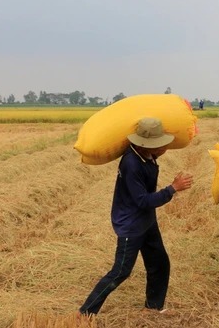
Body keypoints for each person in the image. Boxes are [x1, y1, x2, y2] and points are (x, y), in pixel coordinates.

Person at [79, 117, 193, 316]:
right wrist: (173, 188)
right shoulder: (131, 164)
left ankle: (153, 308)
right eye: (161, 145)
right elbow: (143, 201)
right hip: (131, 224)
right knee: (120, 272)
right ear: (145, 145)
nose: (165, 148)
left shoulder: (146, 155)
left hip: (146, 220)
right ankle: (85, 312)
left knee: (159, 263)